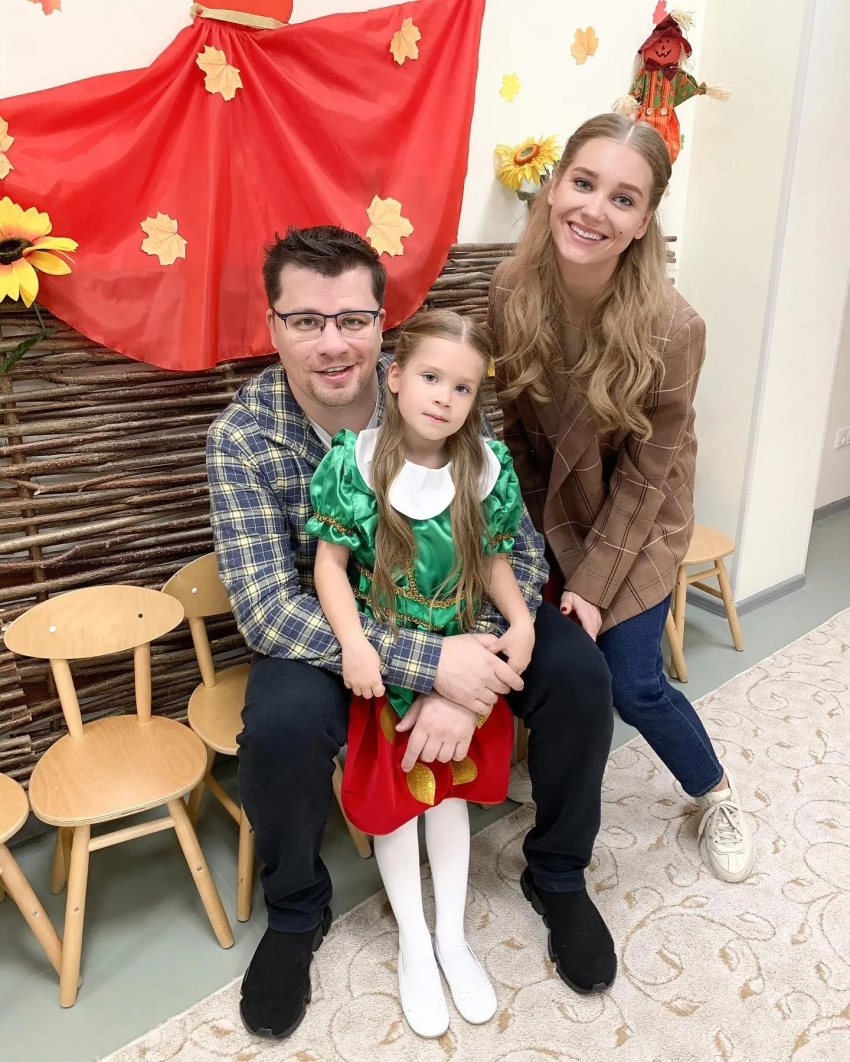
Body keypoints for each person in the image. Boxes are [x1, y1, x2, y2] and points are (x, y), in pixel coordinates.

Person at [207, 224, 617, 1041]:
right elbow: (268, 608)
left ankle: (558, 872)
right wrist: (428, 665)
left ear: (382, 328)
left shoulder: (440, 391)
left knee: (578, 676)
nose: (333, 343)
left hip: (463, 611)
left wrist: (473, 675)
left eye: (353, 319)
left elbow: (513, 550)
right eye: (307, 320)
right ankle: (297, 912)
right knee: (281, 726)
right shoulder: (244, 439)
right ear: (273, 325)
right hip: (332, 633)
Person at [489, 113, 755, 884]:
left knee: (632, 680)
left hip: (642, 515)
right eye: (584, 183)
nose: (595, 210)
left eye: (623, 199)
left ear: (643, 223)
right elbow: (516, 430)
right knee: (537, 649)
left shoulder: (674, 327)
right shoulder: (510, 289)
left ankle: (715, 792)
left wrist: (596, 585)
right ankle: (549, 764)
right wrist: (532, 544)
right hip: (549, 505)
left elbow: (648, 474)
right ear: (553, 188)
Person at [306, 310, 533, 1038]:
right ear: (396, 376)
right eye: (431, 377)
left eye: (463, 387)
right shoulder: (353, 466)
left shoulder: (484, 471)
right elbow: (330, 566)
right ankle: (413, 939)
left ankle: (452, 936)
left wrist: (521, 619)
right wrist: (354, 644)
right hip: (389, 662)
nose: (445, 397)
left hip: (458, 656)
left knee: (448, 798)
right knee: (399, 803)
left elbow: (494, 560)